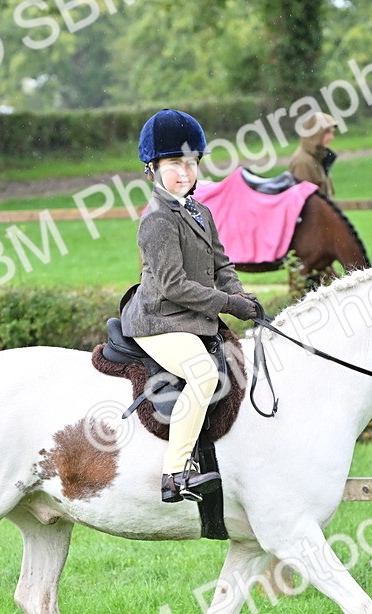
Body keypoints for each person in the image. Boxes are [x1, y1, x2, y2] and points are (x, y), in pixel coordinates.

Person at [120, 109, 261, 503]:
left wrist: (242, 295)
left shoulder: (201, 212)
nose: (184, 172)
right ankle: (174, 473)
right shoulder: (157, 221)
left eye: (191, 162)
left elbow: (221, 265)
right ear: (152, 168)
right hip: (159, 321)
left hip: (192, 318)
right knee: (202, 375)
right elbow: (175, 287)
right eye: (173, 164)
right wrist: (230, 303)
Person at [287, 111, 338, 198]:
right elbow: (304, 202)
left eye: (332, 133)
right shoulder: (302, 162)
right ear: (315, 134)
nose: (331, 137)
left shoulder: (318, 158)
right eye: (327, 132)